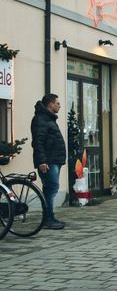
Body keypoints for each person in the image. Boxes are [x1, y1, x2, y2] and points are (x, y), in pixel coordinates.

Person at [31, 93, 66, 230]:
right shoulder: (41, 119)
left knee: (50, 189)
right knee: (51, 189)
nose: (59, 105)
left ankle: (49, 217)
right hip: (48, 161)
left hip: (53, 160)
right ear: (50, 104)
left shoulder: (48, 119)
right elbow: (38, 142)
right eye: (57, 103)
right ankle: (48, 219)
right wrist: (42, 161)